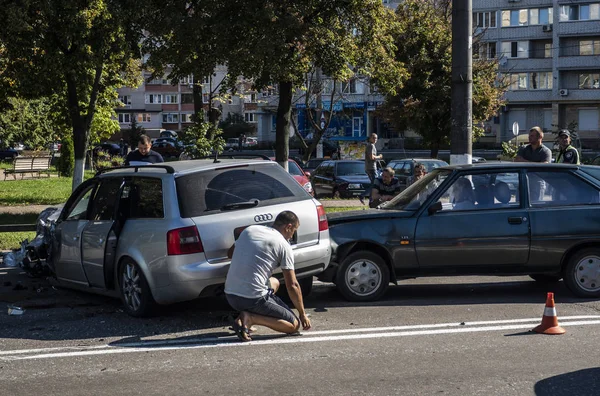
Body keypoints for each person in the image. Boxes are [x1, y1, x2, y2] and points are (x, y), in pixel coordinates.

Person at [224, 211, 311, 342]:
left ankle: (242, 317)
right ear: (288, 227)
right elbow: (292, 285)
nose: (292, 235)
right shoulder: (283, 245)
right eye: (293, 231)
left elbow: (230, 254)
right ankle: (251, 318)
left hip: (230, 295)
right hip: (252, 298)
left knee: (274, 282)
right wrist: (302, 314)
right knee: (294, 325)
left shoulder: (250, 230)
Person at [360, 133, 383, 204]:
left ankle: (371, 199)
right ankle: (362, 195)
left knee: (373, 184)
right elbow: (372, 157)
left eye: (376, 138)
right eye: (373, 138)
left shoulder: (370, 145)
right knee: (375, 185)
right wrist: (379, 157)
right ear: (370, 138)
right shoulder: (371, 146)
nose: (375, 139)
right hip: (371, 168)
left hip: (369, 167)